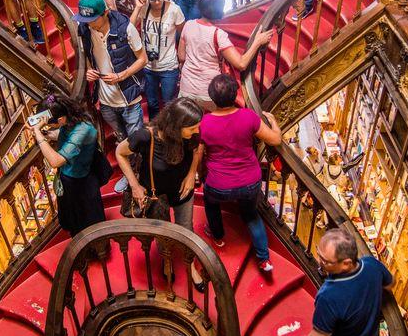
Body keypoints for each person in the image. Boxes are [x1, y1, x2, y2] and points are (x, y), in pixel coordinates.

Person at [295, 229, 393, 336]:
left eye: (325, 261)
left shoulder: (330, 295)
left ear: (346, 264)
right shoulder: (372, 265)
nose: (320, 262)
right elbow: (390, 284)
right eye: (319, 254)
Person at [199, 74, 283, 272]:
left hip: (218, 183)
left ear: (212, 98)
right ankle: (264, 260)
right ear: (235, 94)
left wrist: (199, 173)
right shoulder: (248, 116)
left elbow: (200, 152)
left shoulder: (205, 123)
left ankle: (218, 236)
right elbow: (275, 140)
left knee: (211, 204)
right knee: (251, 215)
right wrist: (275, 123)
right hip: (249, 182)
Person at [115, 98, 203, 255]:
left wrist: (191, 175)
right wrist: (134, 185)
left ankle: (189, 264)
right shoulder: (146, 136)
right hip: (156, 195)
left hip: (182, 191)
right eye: (192, 128)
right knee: (162, 233)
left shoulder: (192, 134)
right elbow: (120, 153)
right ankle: (166, 261)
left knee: (186, 228)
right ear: (176, 127)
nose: (197, 131)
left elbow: (197, 148)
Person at [178, 0, 273, 110]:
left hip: (187, 87)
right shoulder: (218, 34)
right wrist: (258, 41)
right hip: (208, 90)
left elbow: (181, 57)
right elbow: (241, 64)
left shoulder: (188, 25)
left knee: (189, 124)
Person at [73, 0, 147, 144]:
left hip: (129, 99)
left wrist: (120, 76)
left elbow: (143, 59)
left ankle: (136, 164)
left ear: (105, 13)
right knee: (120, 135)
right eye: (85, 20)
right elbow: (87, 53)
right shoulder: (85, 30)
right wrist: (88, 69)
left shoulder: (126, 28)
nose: (88, 24)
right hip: (105, 100)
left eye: (92, 20)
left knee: (135, 142)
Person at [32, 93, 106, 236]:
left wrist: (37, 133)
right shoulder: (71, 120)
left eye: (50, 123)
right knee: (75, 220)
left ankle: (97, 248)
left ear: (60, 119)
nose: (49, 126)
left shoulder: (83, 129)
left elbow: (55, 161)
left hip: (82, 183)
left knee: (89, 221)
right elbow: (64, 134)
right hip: (70, 179)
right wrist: (46, 134)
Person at [130, 0, 185, 118]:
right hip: (148, 66)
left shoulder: (174, 10)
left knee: (168, 103)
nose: (157, 2)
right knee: (152, 103)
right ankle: (155, 129)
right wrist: (137, 8)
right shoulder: (144, 8)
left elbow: (184, 35)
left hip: (168, 67)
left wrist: (182, 58)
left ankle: (168, 130)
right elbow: (128, 29)